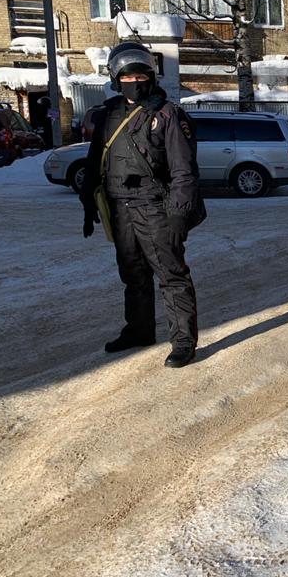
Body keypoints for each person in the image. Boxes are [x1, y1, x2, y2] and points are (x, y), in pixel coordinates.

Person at [80, 41, 205, 368]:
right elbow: (95, 159)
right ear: (116, 79)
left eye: (139, 76)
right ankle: (139, 330)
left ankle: (183, 342)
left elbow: (184, 171)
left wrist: (179, 214)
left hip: (155, 206)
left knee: (171, 275)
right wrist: (88, 200)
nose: (133, 82)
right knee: (132, 273)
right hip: (119, 207)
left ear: (150, 76)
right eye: (127, 77)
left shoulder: (167, 114)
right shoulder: (109, 114)